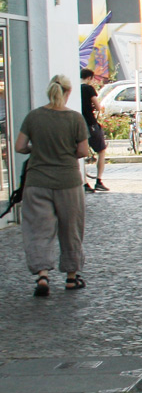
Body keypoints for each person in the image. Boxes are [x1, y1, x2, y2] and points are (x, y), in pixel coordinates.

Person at [15, 75, 89, 296]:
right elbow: (83, 152)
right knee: (71, 230)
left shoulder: (33, 116)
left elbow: (20, 146)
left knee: (38, 230)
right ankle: (71, 277)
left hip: (37, 181)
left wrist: (36, 150)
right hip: (68, 182)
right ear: (68, 92)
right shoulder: (75, 119)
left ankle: (42, 276)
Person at [79, 69, 109, 192]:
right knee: (101, 151)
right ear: (90, 78)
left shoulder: (75, 88)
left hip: (79, 124)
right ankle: (99, 180)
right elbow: (98, 106)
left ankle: (84, 183)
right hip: (90, 124)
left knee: (81, 154)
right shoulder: (88, 88)